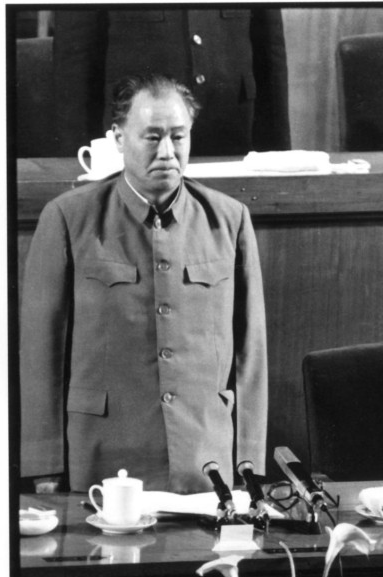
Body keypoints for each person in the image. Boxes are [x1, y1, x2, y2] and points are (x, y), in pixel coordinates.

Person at [20, 74, 268, 494]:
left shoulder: (229, 220)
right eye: (152, 137)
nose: (168, 152)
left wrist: (248, 460)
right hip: (100, 463)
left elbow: (251, 351)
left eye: (179, 136)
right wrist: (44, 465)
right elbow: (40, 352)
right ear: (118, 138)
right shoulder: (69, 219)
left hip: (205, 464)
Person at [52, 9, 289, 156]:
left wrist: (279, 156)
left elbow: (270, 55)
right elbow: (74, 64)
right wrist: (72, 166)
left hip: (231, 139)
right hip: (137, 147)